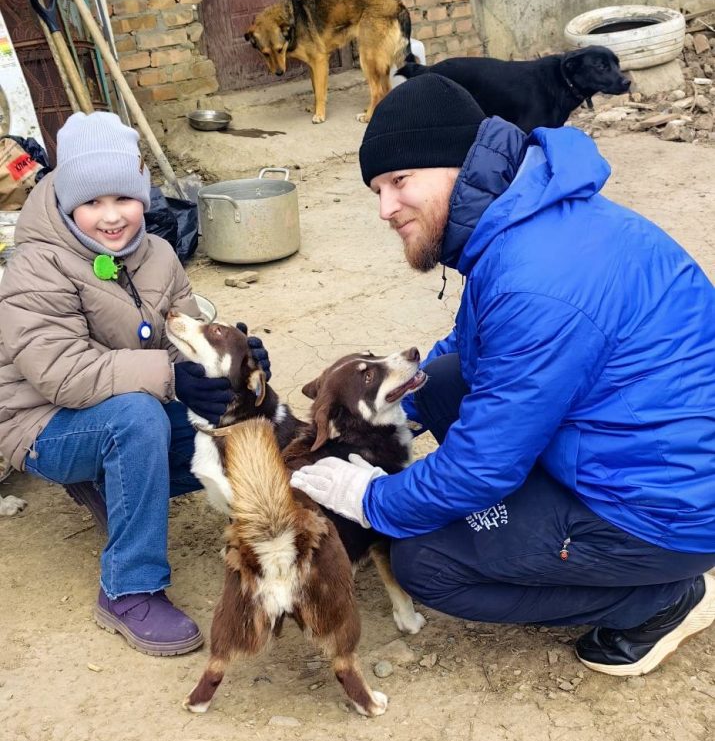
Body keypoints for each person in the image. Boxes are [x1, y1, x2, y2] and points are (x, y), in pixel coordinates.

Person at [291, 73, 715, 677]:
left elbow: (483, 465)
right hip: (633, 440)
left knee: (424, 561)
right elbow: (472, 344)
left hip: (663, 506)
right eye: (376, 190)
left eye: (399, 181)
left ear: (456, 165)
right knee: (436, 379)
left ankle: (660, 600)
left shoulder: (537, 280)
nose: (385, 209)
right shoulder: (521, 220)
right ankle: (555, 528)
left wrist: (372, 498)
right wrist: (386, 406)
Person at [0, 112, 269, 657]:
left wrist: (229, 362)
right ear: (66, 199)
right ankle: (129, 586)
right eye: (92, 201)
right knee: (139, 421)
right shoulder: (34, 265)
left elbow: (182, 343)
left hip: (118, 403)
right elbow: (63, 373)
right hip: (41, 422)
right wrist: (171, 378)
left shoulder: (158, 254)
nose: (111, 217)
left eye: (123, 197)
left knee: (224, 413)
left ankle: (116, 486)